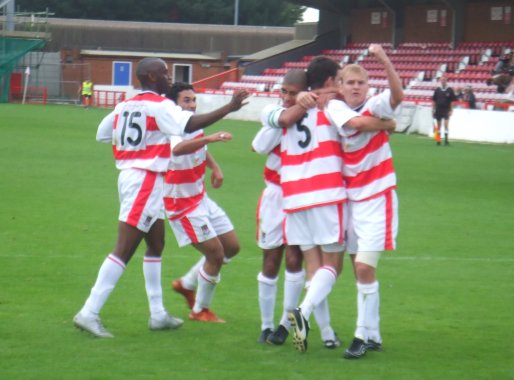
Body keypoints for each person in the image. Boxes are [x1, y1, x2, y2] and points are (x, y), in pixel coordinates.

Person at [73, 58, 249, 338]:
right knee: (124, 249)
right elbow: (190, 123)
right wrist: (230, 107)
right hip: (145, 179)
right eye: (165, 74)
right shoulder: (161, 105)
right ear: (153, 76)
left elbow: (103, 135)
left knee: (156, 244)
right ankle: (89, 312)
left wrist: (136, 146)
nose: (169, 78)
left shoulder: (124, 104)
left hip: (136, 178)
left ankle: (157, 314)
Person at [270, 56, 395, 353]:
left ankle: (323, 332)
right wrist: (387, 123)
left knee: (314, 269)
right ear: (330, 81)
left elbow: (259, 145)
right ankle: (302, 313)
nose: (344, 85)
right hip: (326, 194)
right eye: (340, 79)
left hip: (292, 196)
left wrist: (297, 100)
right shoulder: (331, 110)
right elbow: (362, 123)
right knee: (334, 267)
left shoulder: (284, 111)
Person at [326, 44, 403, 359]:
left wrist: (384, 60)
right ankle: (374, 334)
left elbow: (397, 97)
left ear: (368, 87)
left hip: (377, 197)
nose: (356, 88)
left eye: (361, 83)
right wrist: (387, 127)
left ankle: (360, 336)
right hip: (351, 201)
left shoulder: (376, 104)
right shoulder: (337, 109)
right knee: (359, 270)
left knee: (363, 266)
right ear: (340, 87)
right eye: (350, 83)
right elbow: (356, 125)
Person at [254, 70, 341, 349]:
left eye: (294, 92)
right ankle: (266, 325)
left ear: (306, 91)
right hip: (276, 195)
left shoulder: (316, 116)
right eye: (284, 92)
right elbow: (258, 145)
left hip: (297, 195)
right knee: (270, 261)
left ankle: (284, 323)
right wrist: (284, 119)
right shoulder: (279, 115)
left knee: (296, 261)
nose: (288, 97)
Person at [164, 82, 242, 323]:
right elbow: (178, 149)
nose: (191, 105)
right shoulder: (170, 126)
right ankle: (200, 310)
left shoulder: (193, 124)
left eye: (193, 100)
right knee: (216, 254)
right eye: (186, 100)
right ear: (174, 104)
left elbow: (200, 145)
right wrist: (212, 136)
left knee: (232, 247)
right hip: (181, 205)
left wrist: (215, 167)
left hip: (200, 198)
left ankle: (186, 284)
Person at [432, 75, 456, 146]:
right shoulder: (437, 90)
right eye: (441, 80)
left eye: (444, 80)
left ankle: (446, 140)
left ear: (446, 81)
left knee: (446, 124)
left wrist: (451, 110)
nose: (443, 81)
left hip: (446, 109)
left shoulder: (450, 90)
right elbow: (434, 100)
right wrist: (433, 109)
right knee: (438, 125)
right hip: (438, 109)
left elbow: (452, 101)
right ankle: (438, 140)